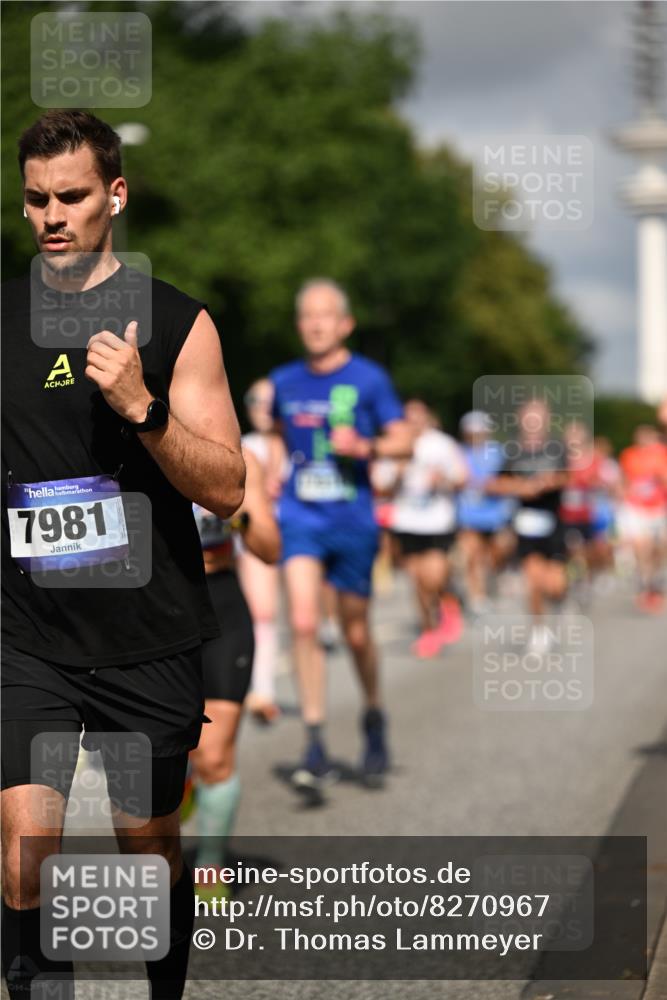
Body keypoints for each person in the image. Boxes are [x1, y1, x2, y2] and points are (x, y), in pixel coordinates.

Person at [1, 110, 244, 1000]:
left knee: (147, 849)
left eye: (71, 196)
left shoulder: (176, 322)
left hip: (147, 634)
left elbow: (226, 487)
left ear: (116, 194)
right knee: (27, 859)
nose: (52, 215)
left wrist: (143, 407)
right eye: (36, 200)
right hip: (24, 634)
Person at [269, 278, 411, 795]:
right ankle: (313, 739)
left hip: (352, 517)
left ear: (345, 323)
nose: (315, 323)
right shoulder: (284, 381)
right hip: (300, 513)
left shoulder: (369, 379)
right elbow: (278, 439)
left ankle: (373, 713)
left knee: (355, 633)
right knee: (304, 621)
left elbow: (404, 441)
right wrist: (269, 470)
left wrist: (366, 445)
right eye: (306, 315)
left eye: (325, 315)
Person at [189, 447, 280, 890]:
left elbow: (270, 548)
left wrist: (236, 515)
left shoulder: (237, 456)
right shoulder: (127, 440)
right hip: (152, 611)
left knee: (215, 753)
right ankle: (183, 776)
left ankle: (210, 864)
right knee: (169, 751)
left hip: (221, 604)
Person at [377, 400, 468, 658]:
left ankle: (448, 600)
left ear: (427, 418)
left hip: (437, 521)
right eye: (409, 418)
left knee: (434, 577)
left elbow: (463, 479)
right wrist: (397, 474)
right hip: (406, 522)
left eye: (419, 417)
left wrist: (444, 479)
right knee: (416, 580)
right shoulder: (393, 445)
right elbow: (381, 487)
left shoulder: (442, 444)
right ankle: (428, 630)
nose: (414, 422)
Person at [486, 399, 569, 653]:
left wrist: (548, 482)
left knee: (554, 586)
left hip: (553, 522)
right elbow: (495, 484)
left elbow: (569, 476)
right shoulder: (513, 451)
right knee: (533, 581)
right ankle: (538, 631)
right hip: (526, 523)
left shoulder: (557, 447)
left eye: (538, 416)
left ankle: (557, 605)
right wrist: (521, 487)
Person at [237, 379, 288, 723]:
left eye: (269, 400)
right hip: (256, 537)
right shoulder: (243, 444)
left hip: (302, 537)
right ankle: (263, 689)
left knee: (304, 620)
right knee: (263, 612)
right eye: (254, 399)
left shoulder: (302, 443)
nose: (261, 406)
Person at [456, 410, 515, 618]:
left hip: (495, 515)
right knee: (472, 557)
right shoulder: (458, 452)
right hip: (468, 516)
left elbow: (509, 481)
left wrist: (493, 486)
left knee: (496, 555)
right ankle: (477, 598)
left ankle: (494, 578)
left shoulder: (499, 453)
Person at [617, 424, 667, 612]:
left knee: (660, 547)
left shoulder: (662, 454)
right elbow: (623, 479)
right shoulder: (629, 455)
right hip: (637, 507)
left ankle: (655, 578)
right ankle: (645, 583)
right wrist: (621, 491)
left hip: (659, 507)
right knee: (642, 545)